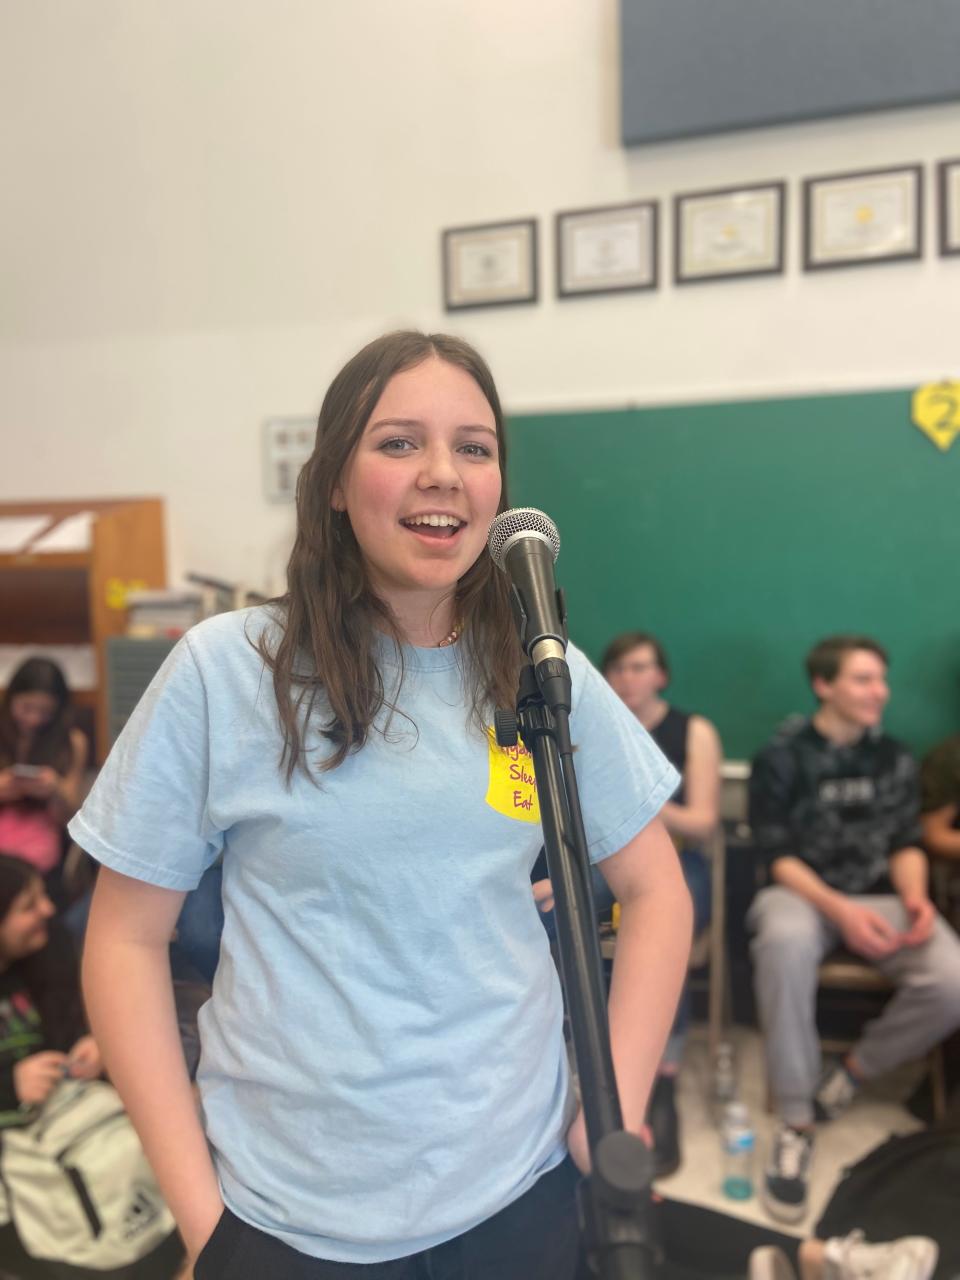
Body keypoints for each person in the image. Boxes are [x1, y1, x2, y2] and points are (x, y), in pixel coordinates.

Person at [71, 331, 691, 1279]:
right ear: (331, 480)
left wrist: (610, 1114)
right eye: (399, 442)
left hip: (517, 1189)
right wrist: (203, 1220)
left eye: (474, 448)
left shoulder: (536, 668)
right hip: (286, 1215)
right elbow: (121, 940)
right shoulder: (226, 669)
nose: (443, 473)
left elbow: (656, 891)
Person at [748, 635, 960, 1225]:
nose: (880, 692)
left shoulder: (894, 757)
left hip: (883, 895)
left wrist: (916, 900)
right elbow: (776, 854)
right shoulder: (782, 757)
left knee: (953, 978)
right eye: (864, 680)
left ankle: (849, 1075)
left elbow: (906, 843)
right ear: (825, 686)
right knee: (783, 939)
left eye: (882, 680)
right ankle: (796, 1117)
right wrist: (840, 910)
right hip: (805, 895)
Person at [601, 631, 721, 1177]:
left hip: (678, 857)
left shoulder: (692, 731)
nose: (628, 678)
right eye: (619, 668)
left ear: (661, 676)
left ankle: (662, 1075)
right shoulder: (595, 721)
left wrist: (639, 799)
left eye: (640, 667)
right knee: (557, 901)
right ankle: (593, 1056)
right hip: (607, 858)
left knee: (669, 919)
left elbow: (702, 821)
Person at [0, 852, 103, 1277]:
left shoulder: (43, 956)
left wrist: (93, 1045)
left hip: (61, 1134)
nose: (49, 909)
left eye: (43, 895)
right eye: (29, 906)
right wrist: (10, 1086)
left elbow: (70, 1030)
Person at [0, 658, 88, 885]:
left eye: (45, 711)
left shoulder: (72, 742)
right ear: (10, 699)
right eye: (26, 708)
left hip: (45, 844)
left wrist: (55, 789)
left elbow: (73, 818)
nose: (34, 718)